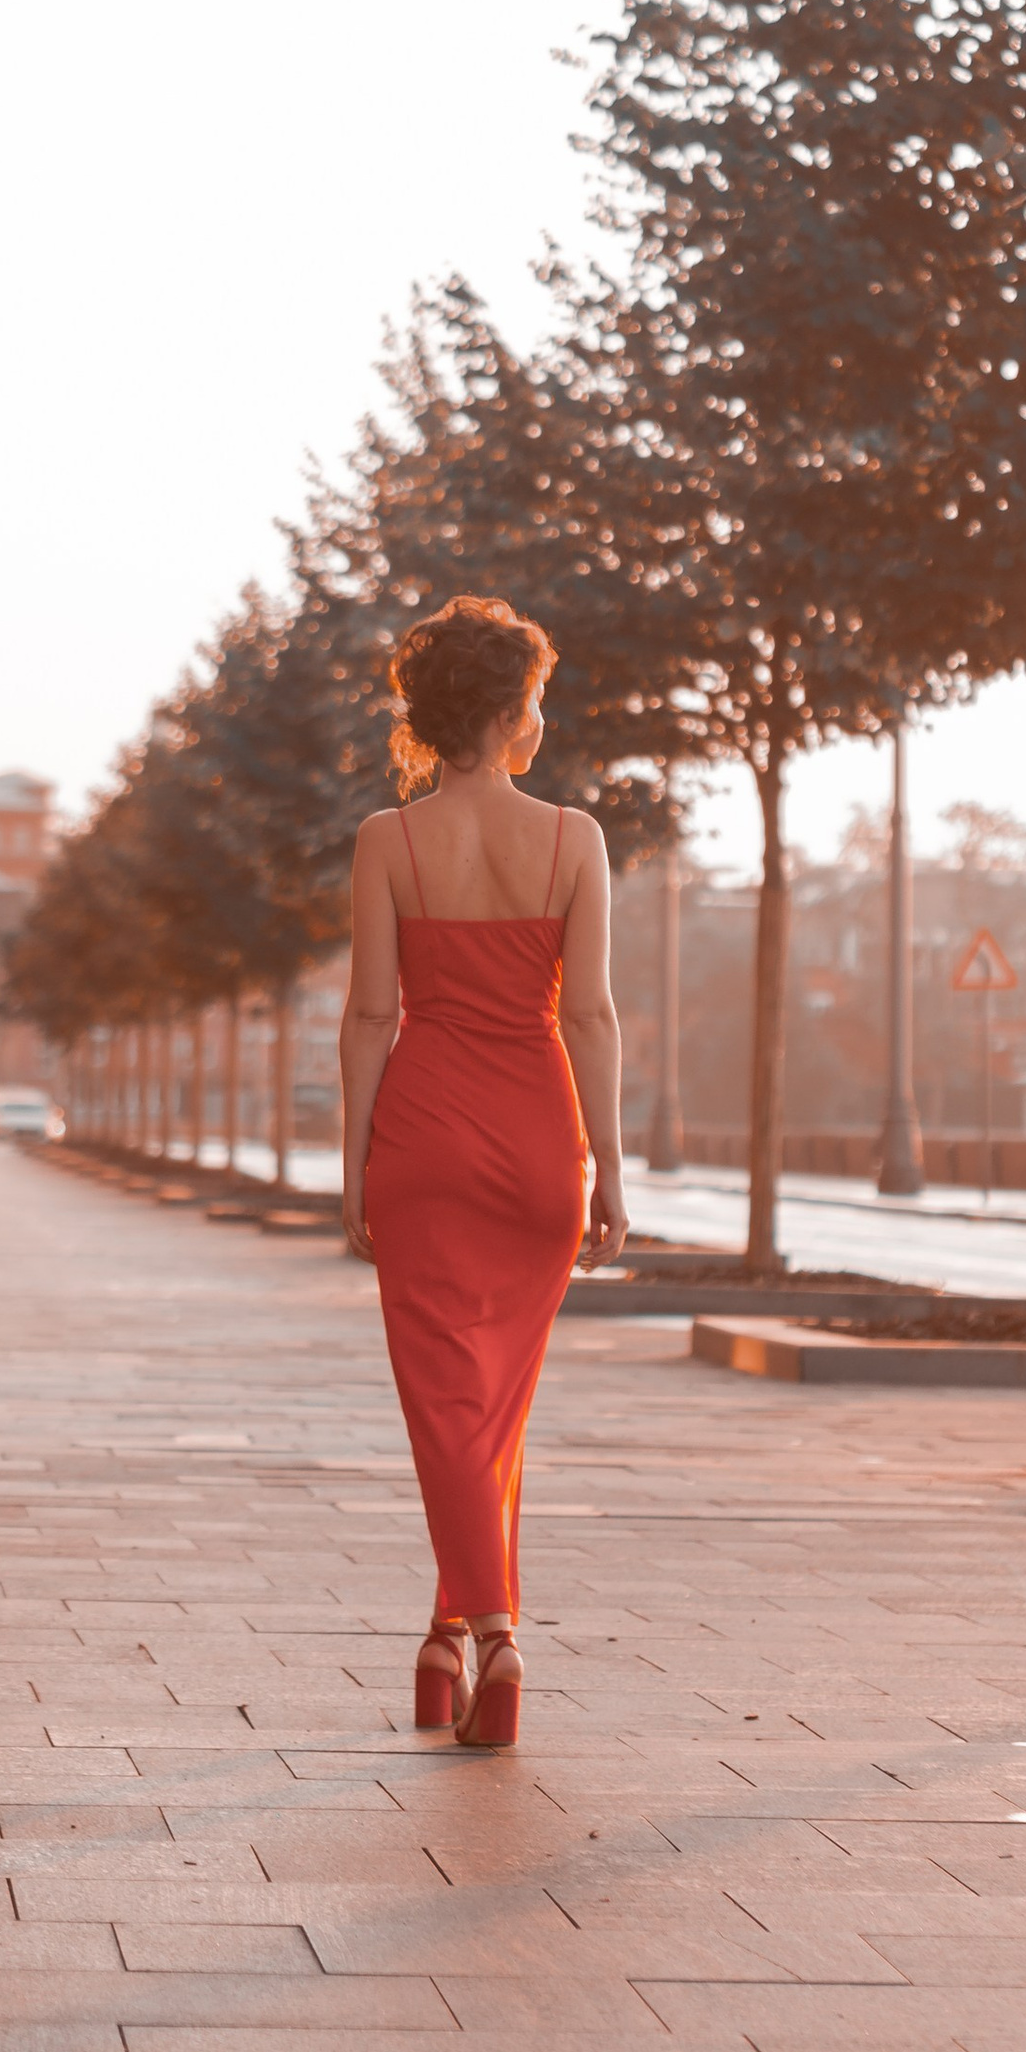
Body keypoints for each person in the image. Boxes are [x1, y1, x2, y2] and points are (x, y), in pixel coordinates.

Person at [339, 594, 627, 1748]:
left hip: (421, 1138)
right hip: (533, 1143)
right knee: (490, 1408)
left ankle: (492, 1635)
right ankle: (445, 1641)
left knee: (451, 1411)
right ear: (511, 713)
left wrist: (352, 1162)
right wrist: (609, 1166)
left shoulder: (386, 842)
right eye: (537, 700)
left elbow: (368, 1015)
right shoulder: (573, 840)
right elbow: (592, 1015)